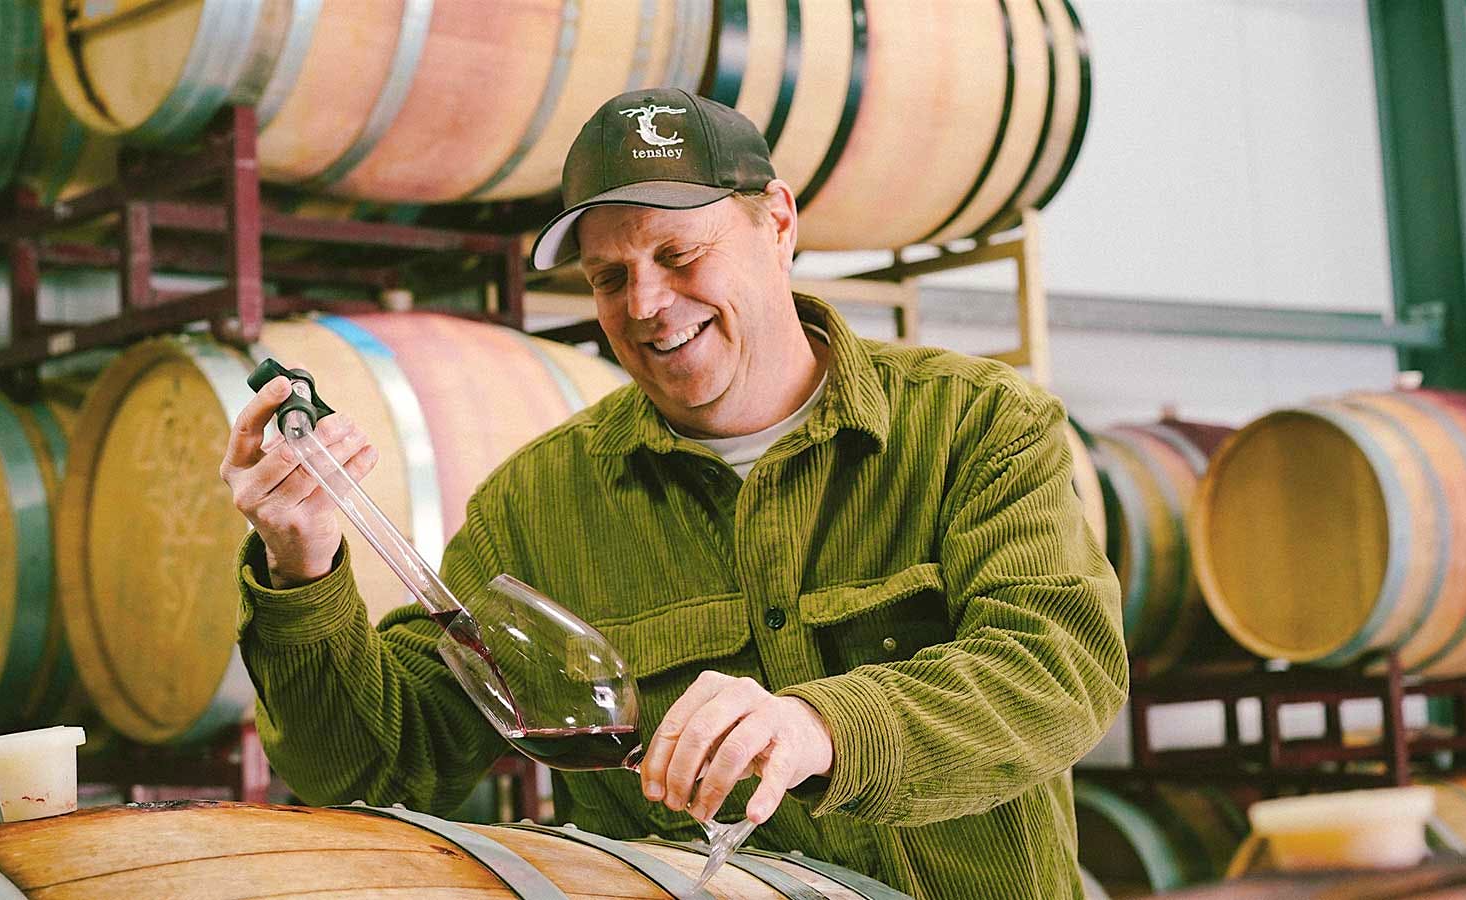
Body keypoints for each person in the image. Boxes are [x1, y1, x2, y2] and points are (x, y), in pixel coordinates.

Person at [219, 88, 1127, 899]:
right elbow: (378, 767)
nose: (647, 303)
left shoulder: (975, 425)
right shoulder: (536, 507)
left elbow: (1056, 669)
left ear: (777, 222)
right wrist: (302, 565)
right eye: (609, 276)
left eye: (678, 253)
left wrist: (820, 726)